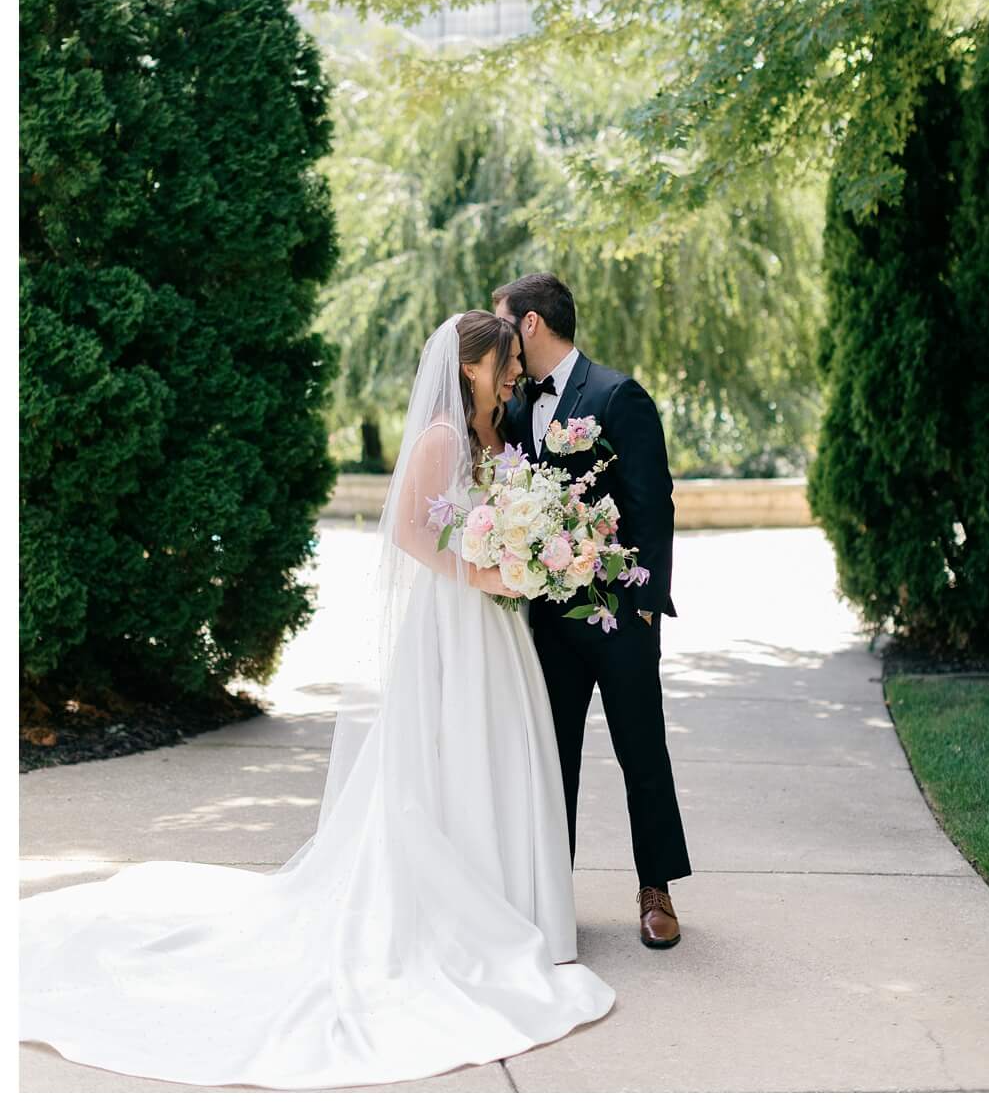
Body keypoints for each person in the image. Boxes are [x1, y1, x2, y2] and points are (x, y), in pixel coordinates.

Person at [19, 311, 613, 1088]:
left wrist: (528, 553)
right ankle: (464, 909)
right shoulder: (440, 436)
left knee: (500, 746)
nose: (514, 373)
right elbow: (410, 533)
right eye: (504, 362)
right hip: (456, 618)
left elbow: (502, 519)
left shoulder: (498, 430)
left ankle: (510, 901)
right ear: (468, 365)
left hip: (496, 625)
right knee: (451, 750)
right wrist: (490, 573)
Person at [493, 272, 691, 950]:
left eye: (506, 327)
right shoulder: (516, 410)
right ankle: (551, 893)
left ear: (531, 325)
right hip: (548, 622)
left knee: (642, 748)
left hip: (619, 613)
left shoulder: (616, 394)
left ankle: (656, 888)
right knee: (551, 759)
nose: (505, 348)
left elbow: (652, 503)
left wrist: (643, 607)